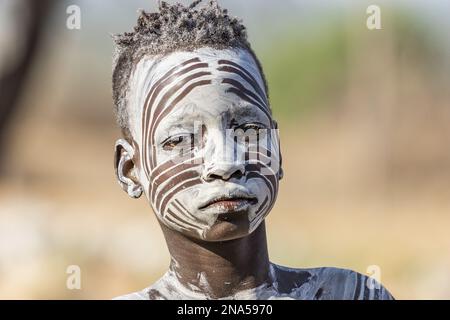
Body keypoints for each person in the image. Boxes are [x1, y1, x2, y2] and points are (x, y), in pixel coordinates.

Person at [111, 0, 394, 300]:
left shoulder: (352, 295)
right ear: (130, 169)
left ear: (277, 148)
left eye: (249, 131)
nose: (225, 162)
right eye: (181, 139)